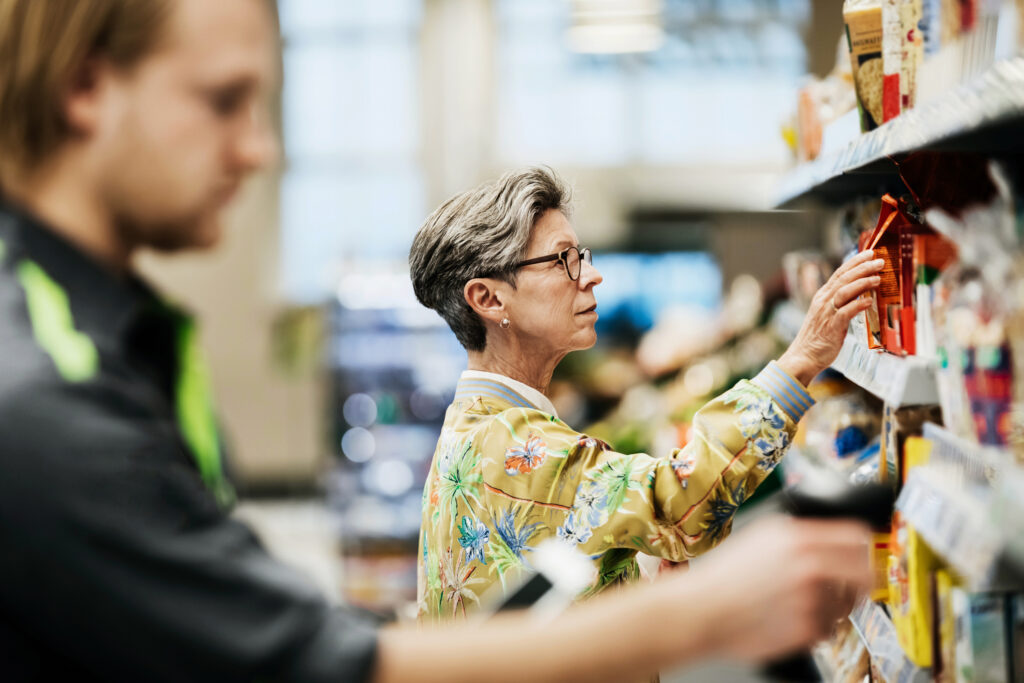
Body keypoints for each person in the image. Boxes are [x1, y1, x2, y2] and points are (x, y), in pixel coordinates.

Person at [0, 1, 875, 681]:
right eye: (223, 99)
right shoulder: (50, 398)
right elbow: (306, 661)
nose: (261, 148)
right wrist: (706, 609)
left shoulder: (125, 346)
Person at [409, 167, 884, 621]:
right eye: (563, 260)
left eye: (584, 256)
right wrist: (802, 358)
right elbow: (678, 500)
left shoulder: (475, 428)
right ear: (489, 300)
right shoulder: (511, 444)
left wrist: (628, 582)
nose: (591, 276)